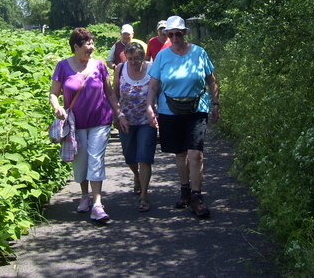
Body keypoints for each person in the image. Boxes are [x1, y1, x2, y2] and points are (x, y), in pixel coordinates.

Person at [49, 27, 129, 222]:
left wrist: (119, 114)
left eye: (93, 43)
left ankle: (98, 204)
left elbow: (109, 93)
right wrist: (57, 106)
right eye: (88, 44)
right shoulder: (62, 66)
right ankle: (85, 196)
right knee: (81, 160)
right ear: (76, 46)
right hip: (75, 124)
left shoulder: (99, 66)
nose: (92, 47)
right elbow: (53, 94)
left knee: (96, 159)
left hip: (100, 121)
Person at [146, 15, 220, 218]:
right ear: (166, 34)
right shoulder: (162, 56)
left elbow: (211, 81)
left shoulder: (199, 53)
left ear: (184, 33)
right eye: (170, 34)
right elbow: (153, 86)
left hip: (197, 108)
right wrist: (150, 108)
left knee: (196, 153)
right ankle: (185, 190)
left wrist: (215, 104)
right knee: (180, 154)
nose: (175, 37)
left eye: (178, 33)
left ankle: (197, 196)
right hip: (170, 110)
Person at [113, 42, 157, 212]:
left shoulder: (152, 68)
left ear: (142, 56)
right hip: (126, 120)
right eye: (130, 58)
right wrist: (117, 115)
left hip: (147, 120)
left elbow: (158, 91)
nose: (133, 62)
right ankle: (137, 176)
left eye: (137, 58)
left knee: (144, 156)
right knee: (129, 156)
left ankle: (144, 195)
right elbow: (114, 93)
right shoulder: (120, 68)